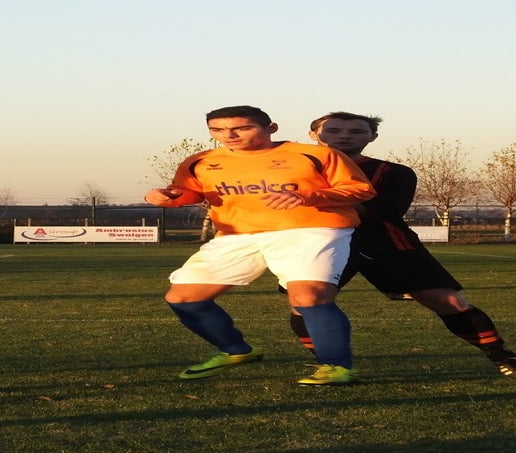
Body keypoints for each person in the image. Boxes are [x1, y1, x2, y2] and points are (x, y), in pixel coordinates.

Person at [284, 111, 516, 380]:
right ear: (313, 134)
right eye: (334, 130)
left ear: (373, 137)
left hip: (387, 243)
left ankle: (503, 356)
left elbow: (386, 211)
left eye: (356, 131)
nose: (344, 136)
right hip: (317, 243)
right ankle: (332, 365)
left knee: (449, 301)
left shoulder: (395, 172)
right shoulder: (289, 170)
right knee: (304, 305)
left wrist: (312, 199)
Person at [145, 105, 376, 385]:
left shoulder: (317, 154)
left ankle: (337, 367)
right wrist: (168, 196)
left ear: (271, 128)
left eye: (241, 128)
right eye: (217, 130)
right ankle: (236, 350)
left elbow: (361, 189)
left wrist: (307, 196)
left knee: (308, 297)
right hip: (237, 234)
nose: (228, 135)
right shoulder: (201, 161)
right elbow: (190, 192)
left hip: (311, 229)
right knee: (183, 298)